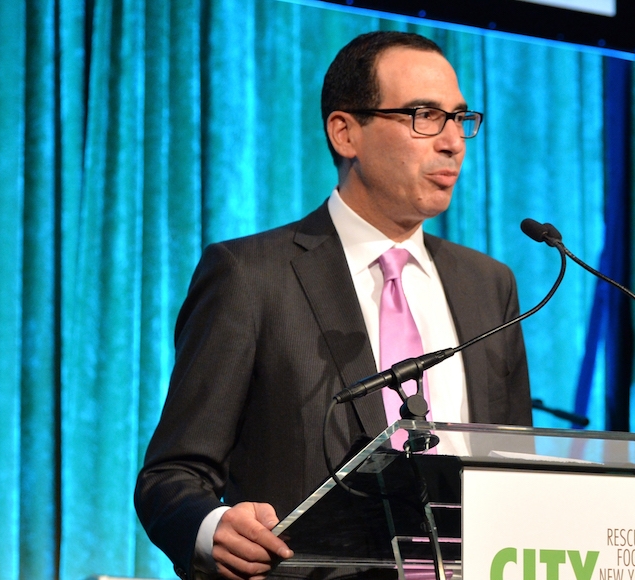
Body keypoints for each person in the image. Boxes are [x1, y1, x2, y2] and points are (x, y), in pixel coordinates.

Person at [135, 31, 532, 580]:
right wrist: (212, 528)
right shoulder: (250, 277)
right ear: (345, 133)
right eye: (423, 115)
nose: (452, 142)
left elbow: (517, 475)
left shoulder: (488, 285)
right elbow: (171, 477)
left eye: (459, 118)